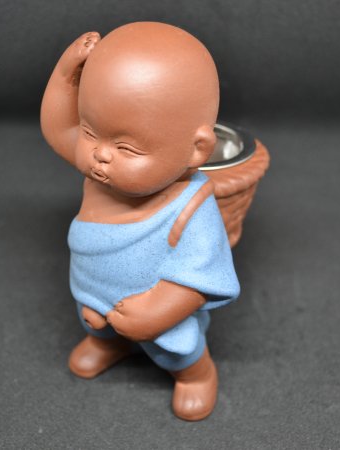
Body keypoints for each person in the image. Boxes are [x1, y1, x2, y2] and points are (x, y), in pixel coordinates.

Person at [40, 22, 239, 421]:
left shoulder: (192, 205)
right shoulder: (100, 173)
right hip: (93, 292)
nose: (100, 155)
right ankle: (107, 344)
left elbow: (198, 277)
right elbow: (59, 128)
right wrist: (65, 74)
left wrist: (156, 313)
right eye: (91, 132)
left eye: (126, 147)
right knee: (94, 324)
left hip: (153, 310)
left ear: (196, 149)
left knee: (176, 348)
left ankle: (196, 376)